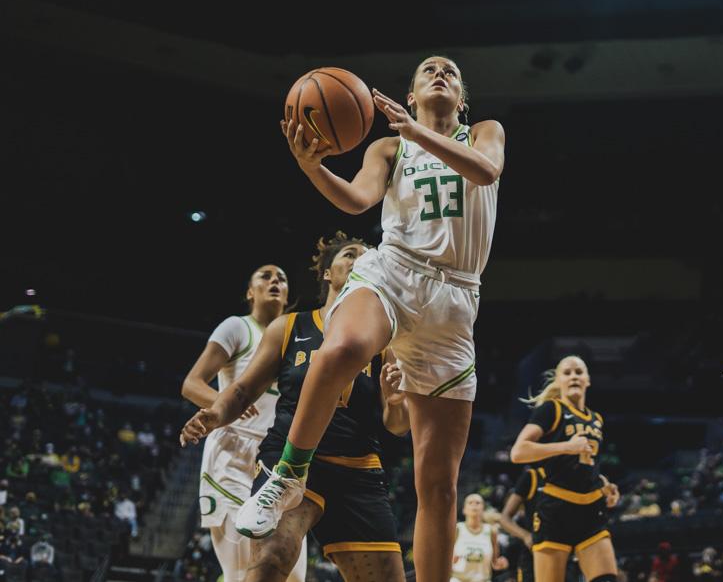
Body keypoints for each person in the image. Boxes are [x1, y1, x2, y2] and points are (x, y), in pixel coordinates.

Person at [239, 57, 505, 582]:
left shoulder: (483, 133)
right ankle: (288, 474)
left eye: (450, 71)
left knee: (438, 484)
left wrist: (418, 134)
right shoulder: (389, 147)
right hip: (395, 271)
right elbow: (359, 200)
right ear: (409, 95)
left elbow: (486, 171)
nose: (440, 73)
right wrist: (313, 167)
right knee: (338, 351)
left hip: (454, 302)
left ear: (463, 97)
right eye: (428, 69)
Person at [181, 234, 409, 582]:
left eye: (367, 257)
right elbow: (241, 390)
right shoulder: (289, 327)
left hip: (358, 469)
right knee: (271, 562)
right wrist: (216, 412)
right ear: (328, 274)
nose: (360, 260)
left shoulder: (384, 340)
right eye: (350, 255)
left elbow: (397, 426)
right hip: (291, 460)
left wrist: (397, 402)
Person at [180, 263, 302, 582]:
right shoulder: (237, 327)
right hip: (233, 453)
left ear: (288, 295)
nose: (275, 280)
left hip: (278, 459)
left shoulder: (297, 337)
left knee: (292, 575)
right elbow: (191, 384)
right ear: (250, 293)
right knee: (239, 572)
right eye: (266, 276)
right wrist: (227, 403)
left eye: (282, 278)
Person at [509, 356, 621, 582]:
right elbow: (518, 452)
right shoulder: (551, 409)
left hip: (591, 509)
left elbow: (585, 465)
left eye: (579, 372)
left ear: (588, 380)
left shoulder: (596, 419)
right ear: (558, 381)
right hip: (555, 510)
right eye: (567, 373)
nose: (573, 377)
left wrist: (605, 484)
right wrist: (567, 447)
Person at [499, 466, 546, 582]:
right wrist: (526, 536)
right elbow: (504, 518)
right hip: (533, 551)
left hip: (564, 552)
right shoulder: (533, 476)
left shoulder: (572, 477)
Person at [451, 493, 507, 582]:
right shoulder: (457, 529)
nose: (474, 505)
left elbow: (494, 563)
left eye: (478, 503)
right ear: (464, 510)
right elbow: (446, 560)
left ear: (483, 509)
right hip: (458, 579)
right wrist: (451, 561)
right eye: (470, 502)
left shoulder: (491, 531)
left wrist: (502, 563)